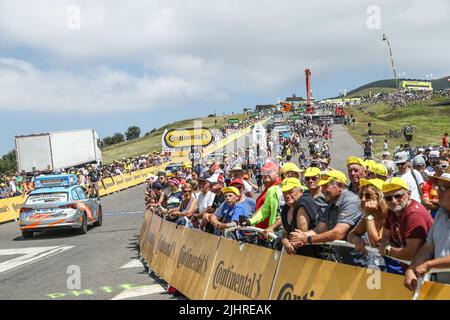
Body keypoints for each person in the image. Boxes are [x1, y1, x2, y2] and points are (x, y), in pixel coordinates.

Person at [289, 170, 364, 266]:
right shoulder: (331, 202)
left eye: (326, 186)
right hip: (342, 257)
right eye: (322, 186)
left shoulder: (351, 201)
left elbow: (338, 233)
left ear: (340, 186)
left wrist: (307, 239)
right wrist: (301, 236)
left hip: (358, 260)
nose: (323, 190)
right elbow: (320, 228)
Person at [404, 168, 450, 290]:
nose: (437, 191)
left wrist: (428, 265)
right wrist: (412, 268)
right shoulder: (442, 212)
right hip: (443, 287)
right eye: (438, 187)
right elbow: (429, 246)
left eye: (444, 188)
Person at [378, 177, 433, 274]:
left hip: (424, 272)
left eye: (398, 196)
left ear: (409, 194)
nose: (394, 201)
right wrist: (395, 249)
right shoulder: (393, 211)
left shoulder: (414, 214)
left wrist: (388, 251)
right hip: (409, 268)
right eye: (388, 198)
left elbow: (411, 253)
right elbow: (385, 239)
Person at [347, 178, 387, 269]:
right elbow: (351, 235)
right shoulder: (371, 214)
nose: (363, 199)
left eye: (368, 195)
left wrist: (369, 215)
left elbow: (376, 243)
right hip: (375, 264)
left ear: (380, 196)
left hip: (394, 266)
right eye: (361, 195)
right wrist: (357, 240)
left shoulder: (389, 215)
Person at [280, 178, 320, 256]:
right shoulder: (286, 207)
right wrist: (285, 242)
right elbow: (284, 232)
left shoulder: (304, 203)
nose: (287, 195)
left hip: (312, 254)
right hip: (296, 255)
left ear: (300, 191)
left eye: (291, 192)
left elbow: (300, 234)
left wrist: (290, 243)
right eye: (284, 193)